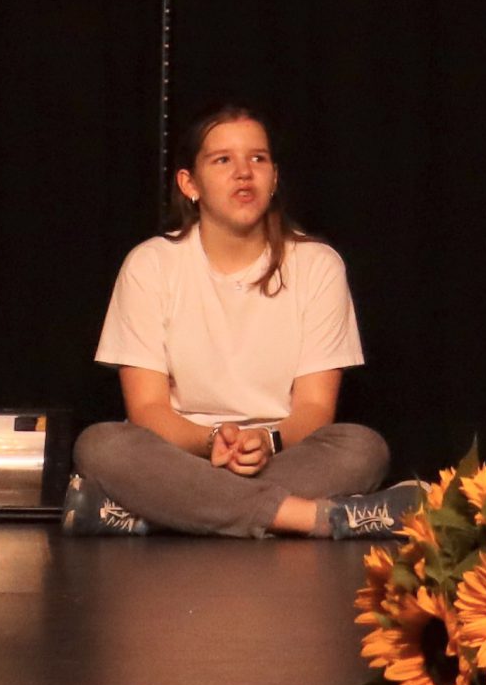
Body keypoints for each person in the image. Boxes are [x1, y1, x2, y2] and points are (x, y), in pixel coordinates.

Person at [72, 105, 409, 538]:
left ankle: (157, 513)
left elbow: (315, 408)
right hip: (180, 456)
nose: (244, 173)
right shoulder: (149, 264)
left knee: (362, 448)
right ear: (189, 184)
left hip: (281, 454)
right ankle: (312, 518)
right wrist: (212, 441)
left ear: (274, 177)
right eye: (222, 160)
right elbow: (147, 409)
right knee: (101, 445)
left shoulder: (318, 265)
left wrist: (267, 441)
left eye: (258, 158)